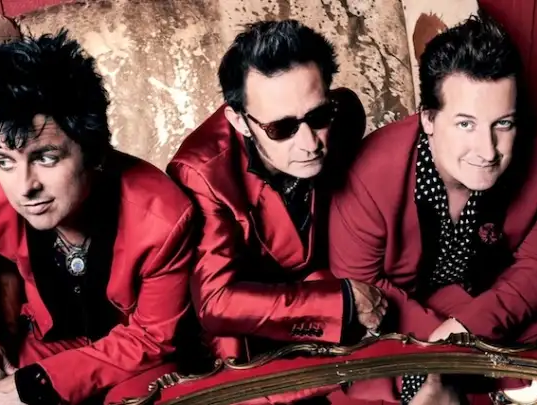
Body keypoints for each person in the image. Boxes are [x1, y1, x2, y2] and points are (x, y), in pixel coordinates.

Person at [0, 30, 195, 405]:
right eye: (5, 161)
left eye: (45, 157)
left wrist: (39, 385)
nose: (24, 187)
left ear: (94, 152)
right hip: (42, 343)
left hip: (133, 357)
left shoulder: (164, 217)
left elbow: (152, 338)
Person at [328, 12, 537, 405]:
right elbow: (360, 287)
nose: (487, 150)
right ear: (428, 118)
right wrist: (441, 353)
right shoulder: (370, 173)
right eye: (465, 124)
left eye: (503, 124)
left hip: (481, 305)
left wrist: (467, 329)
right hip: (397, 318)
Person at [166, 19, 388, 370]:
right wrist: (340, 303)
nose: (309, 143)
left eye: (318, 116)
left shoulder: (344, 115)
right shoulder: (200, 173)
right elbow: (216, 302)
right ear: (240, 121)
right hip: (245, 327)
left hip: (327, 280)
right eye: (281, 128)